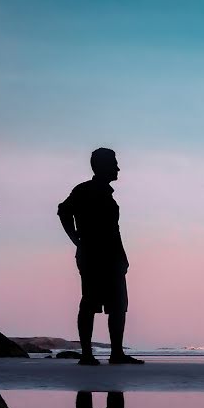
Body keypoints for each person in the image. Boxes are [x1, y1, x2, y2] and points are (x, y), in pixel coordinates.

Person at [58, 148, 143, 365]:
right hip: (94, 256)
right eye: (114, 163)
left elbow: (112, 230)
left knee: (117, 305)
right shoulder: (85, 190)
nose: (118, 168)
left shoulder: (102, 192)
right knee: (90, 303)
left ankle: (115, 353)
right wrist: (76, 239)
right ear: (103, 166)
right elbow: (63, 211)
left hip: (111, 257)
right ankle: (88, 354)